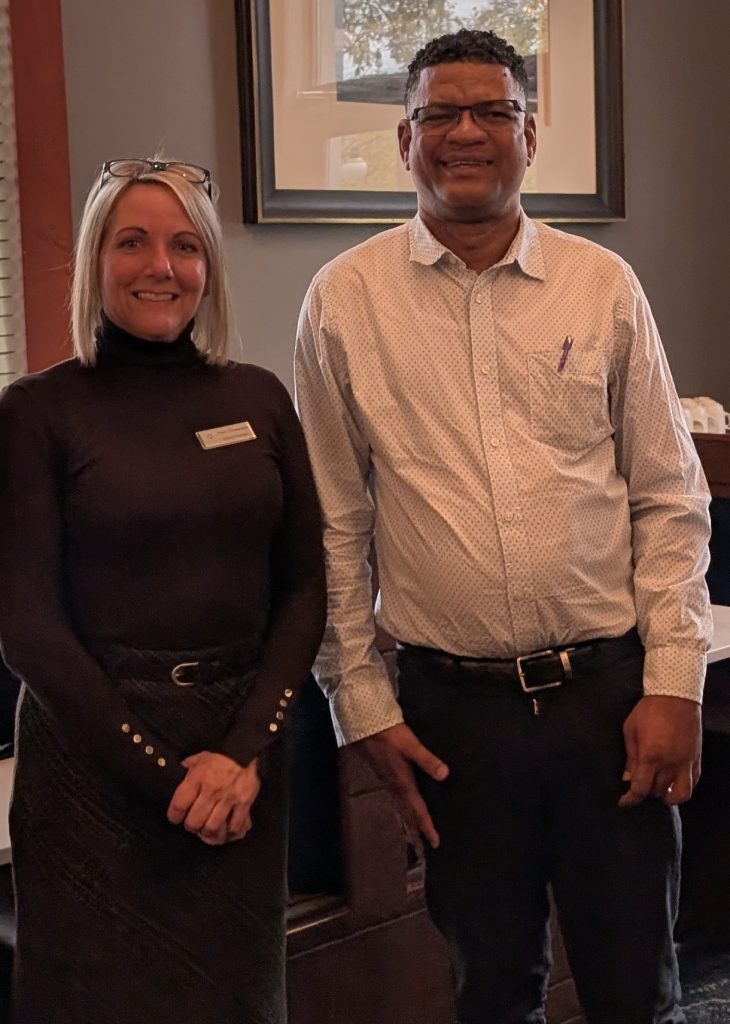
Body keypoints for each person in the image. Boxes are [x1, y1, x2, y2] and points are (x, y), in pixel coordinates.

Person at [294, 28, 712, 1024]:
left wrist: (673, 681)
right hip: (452, 718)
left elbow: (667, 494)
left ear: (531, 132)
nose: (465, 132)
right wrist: (363, 707)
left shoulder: (601, 288)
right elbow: (330, 524)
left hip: (607, 699)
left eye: (492, 112)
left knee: (633, 988)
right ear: (404, 140)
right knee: (489, 988)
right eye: (440, 113)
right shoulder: (342, 304)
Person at [0, 157, 326, 1024]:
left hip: (241, 759)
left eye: (185, 246)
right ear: (94, 260)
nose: (161, 266)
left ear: (208, 268)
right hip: (92, 768)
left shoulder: (259, 400)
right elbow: (27, 630)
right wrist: (166, 778)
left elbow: (304, 590)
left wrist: (242, 753)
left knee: (238, 1002)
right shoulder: (36, 411)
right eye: (132, 242)